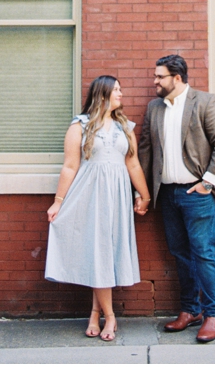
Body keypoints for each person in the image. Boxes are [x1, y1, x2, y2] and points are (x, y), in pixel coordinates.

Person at [45, 76, 152, 342]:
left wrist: (145, 195)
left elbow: (133, 164)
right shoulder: (79, 126)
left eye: (121, 89)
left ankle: (95, 313)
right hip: (89, 195)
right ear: (102, 94)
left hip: (116, 197)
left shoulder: (125, 126)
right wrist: (58, 201)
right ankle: (111, 316)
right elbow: (70, 166)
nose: (121, 94)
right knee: (99, 251)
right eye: (116, 90)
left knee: (104, 253)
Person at [137, 54, 215, 343]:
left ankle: (211, 314)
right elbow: (144, 151)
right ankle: (190, 310)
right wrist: (142, 192)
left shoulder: (204, 102)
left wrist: (208, 183)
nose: (154, 81)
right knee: (180, 253)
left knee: (203, 252)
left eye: (159, 77)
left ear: (177, 78)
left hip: (197, 193)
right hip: (167, 194)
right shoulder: (154, 108)